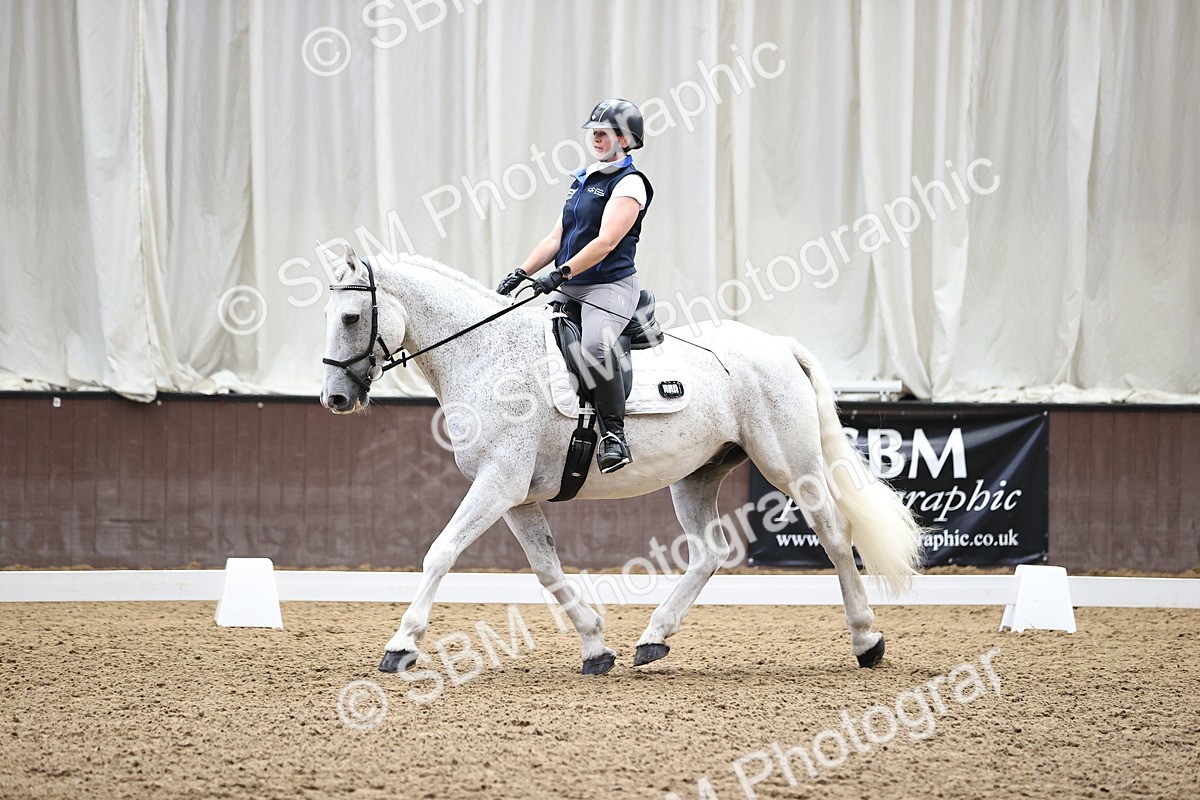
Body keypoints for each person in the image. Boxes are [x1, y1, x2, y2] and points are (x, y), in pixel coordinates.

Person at [497, 98, 654, 474]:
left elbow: (606, 242)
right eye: (593, 131)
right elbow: (556, 237)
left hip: (609, 286)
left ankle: (614, 435)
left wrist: (560, 274)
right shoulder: (583, 179)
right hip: (571, 284)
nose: (596, 137)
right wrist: (520, 273)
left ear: (625, 139)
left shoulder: (629, 183)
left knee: (595, 345)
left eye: (604, 132)